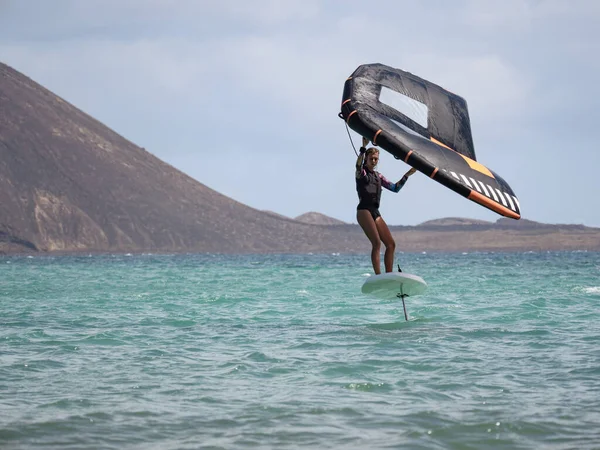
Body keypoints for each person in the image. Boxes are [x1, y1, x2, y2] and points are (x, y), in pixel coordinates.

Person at [356, 137, 416, 275]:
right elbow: (358, 166)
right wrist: (363, 148)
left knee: (391, 244)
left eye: (376, 159)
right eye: (371, 158)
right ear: (366, 158)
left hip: (375, 211)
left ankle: (389, 275)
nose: (374, 161)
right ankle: (378, 276)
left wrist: (408, 174)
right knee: (376, 243)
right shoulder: (362, 173)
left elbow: (395, 188)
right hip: (364, 210)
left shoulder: (378, 176)